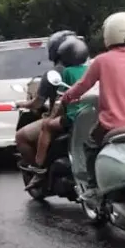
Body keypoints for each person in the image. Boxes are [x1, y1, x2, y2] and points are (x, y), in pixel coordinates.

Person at [61, 12, 125, 173]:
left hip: (111, 126)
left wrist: (67, 98)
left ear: (109, 33)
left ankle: (92, 183)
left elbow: (83, 85)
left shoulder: (102, 60)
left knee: (90, 144)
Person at [30, 34, 91, 179]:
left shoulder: (66, 71)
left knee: (46, 126)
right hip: (92, 113)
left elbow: (62, 100)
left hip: (74, 117)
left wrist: (51, 117)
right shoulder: (90, 69)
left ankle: (39, 165)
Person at [15, 31, 78, 168]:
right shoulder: (88, 68)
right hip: (86, 116)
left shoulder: (53, 73)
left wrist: (21, 104)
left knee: (21, 137)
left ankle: (38, 168)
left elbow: (38, 103)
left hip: (64, 118)